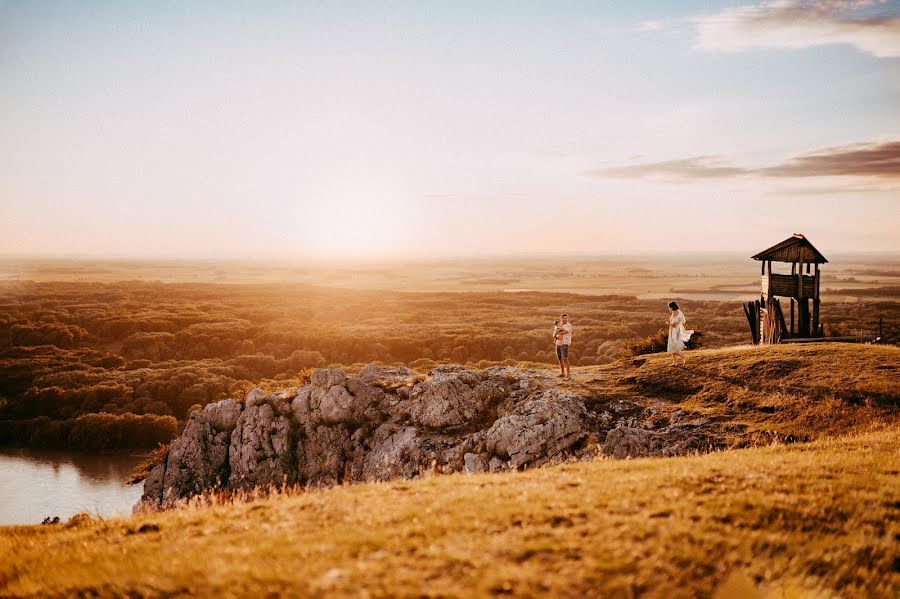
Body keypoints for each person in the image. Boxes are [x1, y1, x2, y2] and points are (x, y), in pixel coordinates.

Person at [667, 302, 693, 366]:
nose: (669, 309)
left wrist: (668, 323)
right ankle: (674, 362)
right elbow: (680, 321)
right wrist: (677, 323)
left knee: (673, 347)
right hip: (675, 330)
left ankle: (684, 357)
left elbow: (673, 325)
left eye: (669, 307)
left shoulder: (674, 313)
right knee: (672, 347)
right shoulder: (679, 312)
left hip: (674, 331)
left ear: (672, 307)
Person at [554, 313, 572, 378]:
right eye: (564, 318)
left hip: (565, 343)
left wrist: (556, 334)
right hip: (558, 343)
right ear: (561, 318)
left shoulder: (569, 325)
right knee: (560, 359)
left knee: (565, 358)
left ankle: (568, 374)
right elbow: (554, 334)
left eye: (566, 318)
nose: (565, 319)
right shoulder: (559, 325)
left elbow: (564, 332)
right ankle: (562, 373)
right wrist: (555, 335)